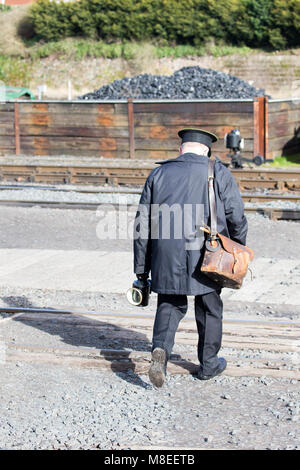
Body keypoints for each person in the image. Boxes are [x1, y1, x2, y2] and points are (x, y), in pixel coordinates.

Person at [133, 128, 248, 387]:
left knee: (169, 304)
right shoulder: (218, 172)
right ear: (207, 151)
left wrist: (141, 271)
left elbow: (142, 225)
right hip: (208, 253)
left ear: (180, 149)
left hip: (166, 254)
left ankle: (160, 352)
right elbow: (236, 217)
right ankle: (208, 365)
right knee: (209, 307)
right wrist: (237, 249)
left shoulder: (158, 173)